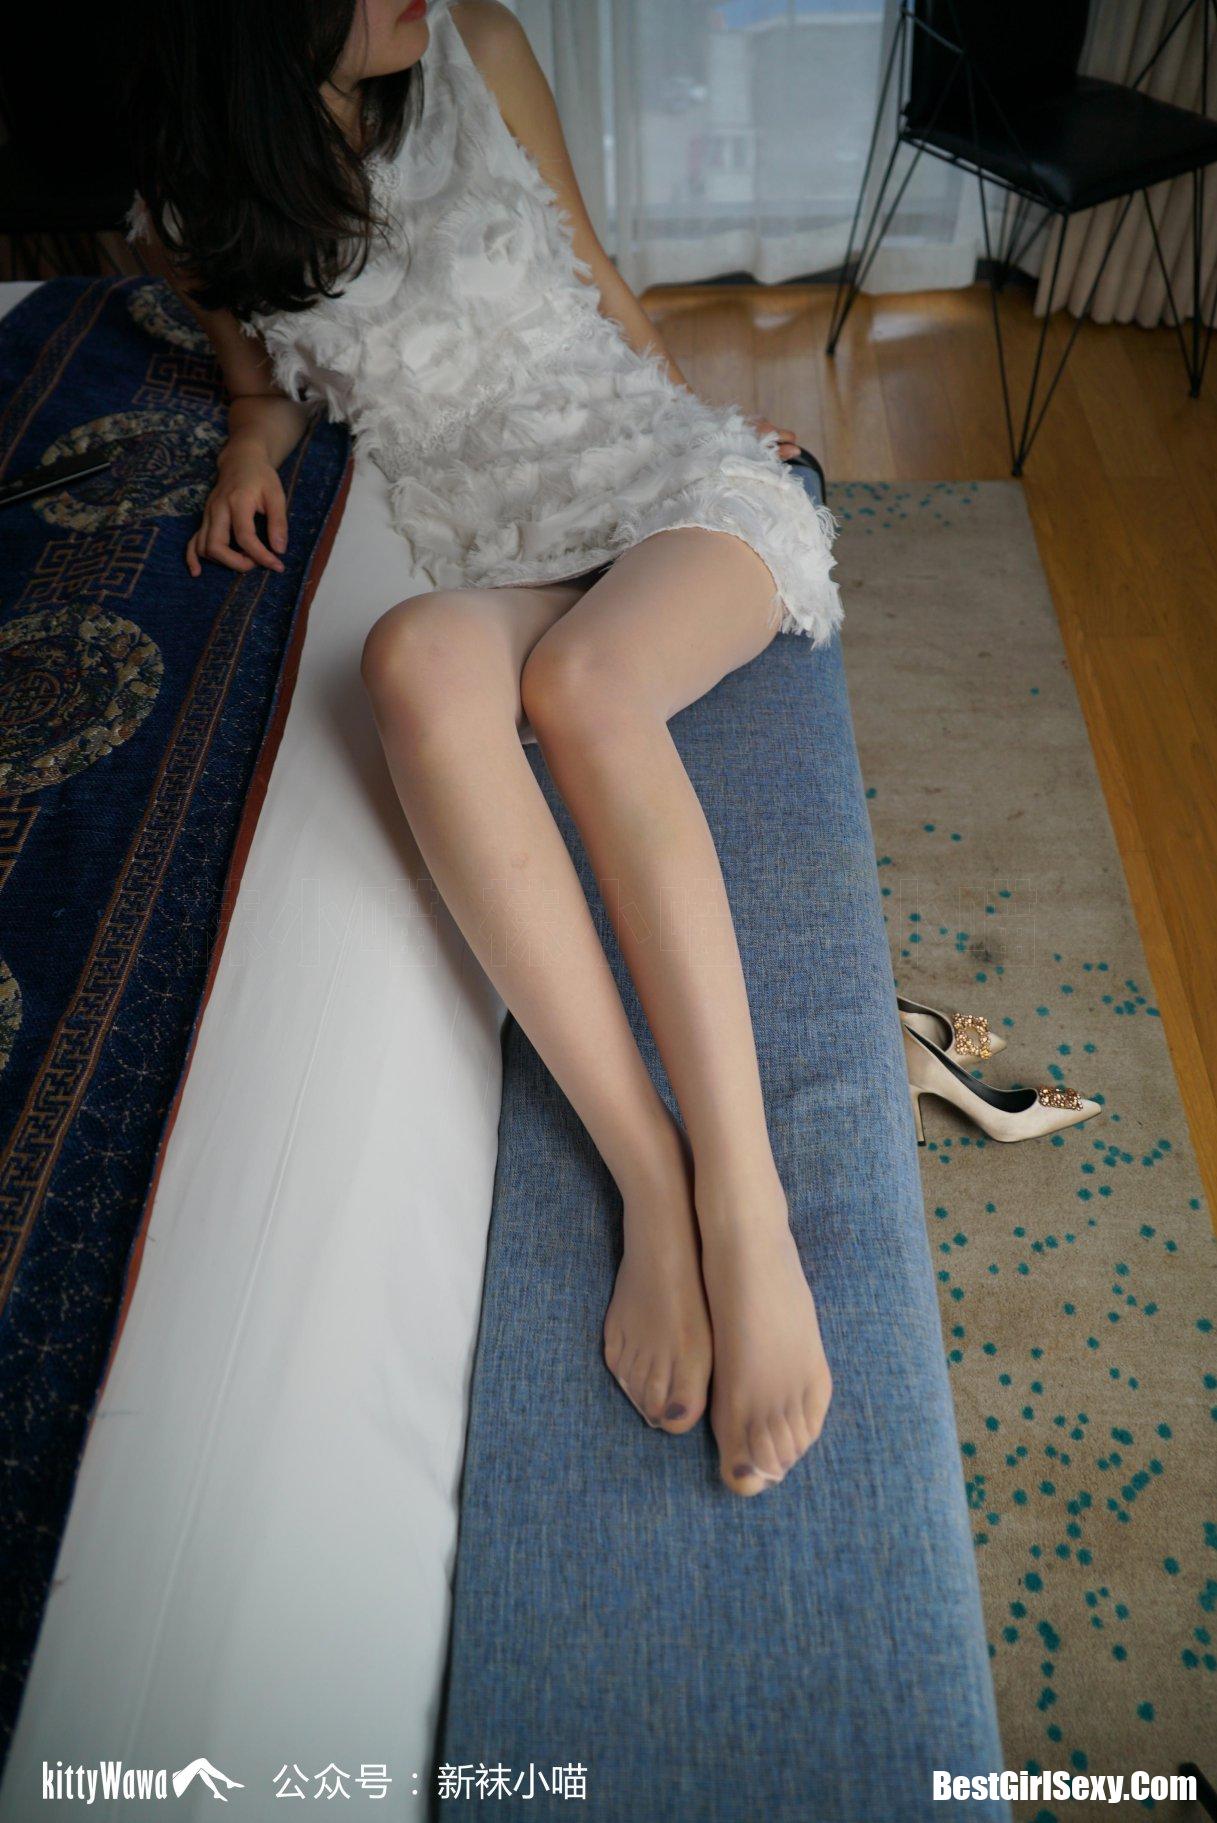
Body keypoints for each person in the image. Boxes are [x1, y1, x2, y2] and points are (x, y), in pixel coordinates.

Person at [125, 0, 840, 1496]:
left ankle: (744, 1203)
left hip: (665, 481)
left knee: (583, 684)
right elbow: (258, 381)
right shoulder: (195, 203)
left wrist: (709, 421)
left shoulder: (478, 47)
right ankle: (650, 1177)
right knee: (409, 658)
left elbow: (597, 277)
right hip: (500, 533)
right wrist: (248, 446)